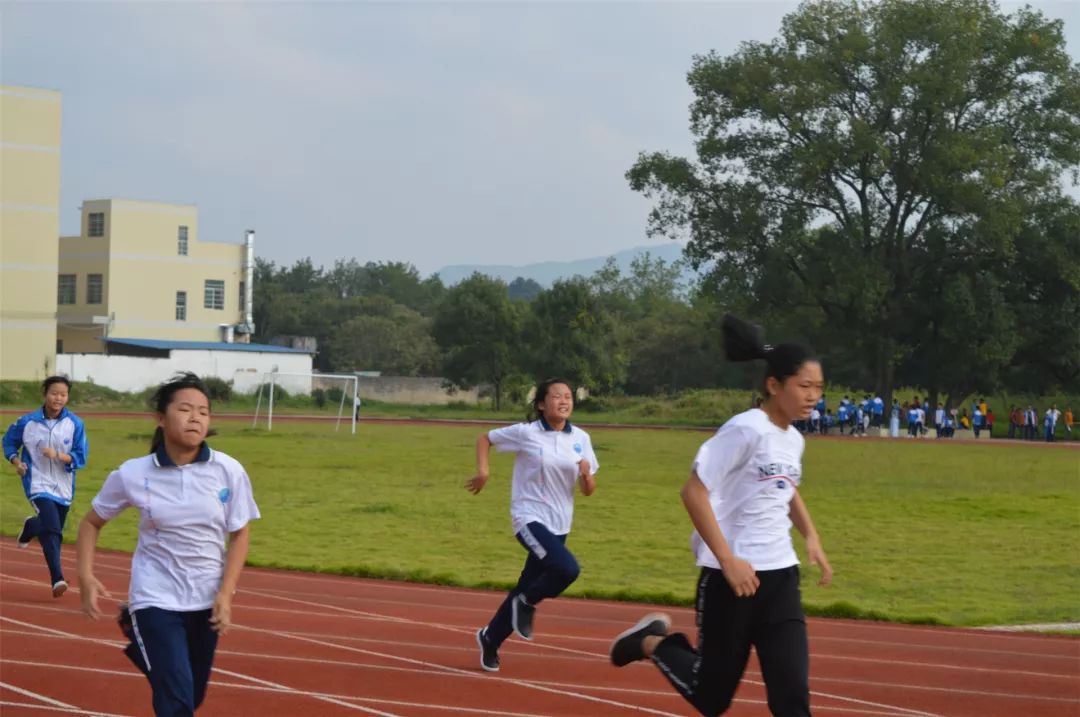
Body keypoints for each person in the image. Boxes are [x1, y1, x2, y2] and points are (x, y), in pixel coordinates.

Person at [608, 315, 832, 717]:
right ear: (774, 385)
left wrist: (810, 536)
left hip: (781, 578)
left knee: (792, 696)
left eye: (818, 387)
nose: (813, 395)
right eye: (804, 386)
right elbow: (693, 492)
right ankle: (653, 643)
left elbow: (784, 487)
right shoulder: (744, 430)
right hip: (732, 581)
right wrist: (728, 560)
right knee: (710, 697)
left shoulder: (793, 439)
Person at [77, 372, 260, 717]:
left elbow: (240, 533)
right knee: (176, 701)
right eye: (186, 409)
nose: (195, 418)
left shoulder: (228, 471)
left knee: (191, 694)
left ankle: (142, 649)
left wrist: (225, 593)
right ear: (160, 418)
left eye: (203, 412)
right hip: (155, 598)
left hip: (205, 599)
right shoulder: (134, 473)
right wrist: (85, 576)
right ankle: (145, 637)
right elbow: (91, 522)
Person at [468, 378, 599, 672]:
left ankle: (490, 638)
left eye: (568, 397)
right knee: (567, 569)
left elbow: (588, 490)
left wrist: (587, 476)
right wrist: (484, 471)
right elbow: (485, 438)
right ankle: (526, 603)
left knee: (526, 585)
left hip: (560, 524)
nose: (564, 401)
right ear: (541, 404)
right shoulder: (526, 433)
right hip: (529, 517)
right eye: (556, 396)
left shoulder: (581, 438)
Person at [3, 376, 88, 598]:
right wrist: (16, 462)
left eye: (63, 394)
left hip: (64, 485)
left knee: (51, 526)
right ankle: (57, 578)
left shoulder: (75, 424)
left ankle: (31, 526)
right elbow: (9, 442)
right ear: (45, 394)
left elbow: (81, 457)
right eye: (54, 393)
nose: (58, 398)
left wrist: (58, 455)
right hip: (37, 481)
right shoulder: (27, 422)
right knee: (52, 530)